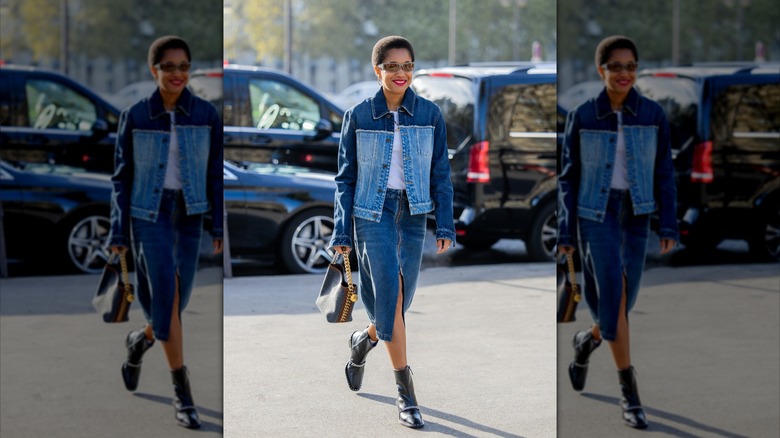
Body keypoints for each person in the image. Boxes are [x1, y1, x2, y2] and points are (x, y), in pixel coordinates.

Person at [330, 35, 455, 429]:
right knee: (392, 292)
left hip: (414, 214)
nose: (401, 73)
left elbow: (441, 174)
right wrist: (340, 231)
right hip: (372, 212)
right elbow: (345, 179)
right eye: (393, 66)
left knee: (398, 304)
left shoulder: (430, 114)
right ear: (377, 70)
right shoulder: (360, 115)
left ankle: (364, 339)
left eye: (408, 66)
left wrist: (446, 222)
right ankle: (407, 394)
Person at [558, 35, 678, 429]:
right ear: (601, 70)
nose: (624, 73)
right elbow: (568, 178)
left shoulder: (653, 114)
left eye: (631, 66)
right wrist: (565, 232)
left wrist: (669, 222)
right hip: (597, 212)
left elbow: (664, 172)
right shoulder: (584, 115)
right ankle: (630, 392)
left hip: (637, 214)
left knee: (621, 304)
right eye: (616, 66)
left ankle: (588, 339)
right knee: (615, 292)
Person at [107, 35, 223, 429]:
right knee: (169, 300)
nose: (178, 73)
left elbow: (214, 175)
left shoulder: (205, 113)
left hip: (190, 216)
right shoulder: (136, 116)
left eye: (184, 66)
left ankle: (139, 341)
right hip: (148, 214)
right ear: (153, 69)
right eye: (169, 66)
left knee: (176, 303)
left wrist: (218, 225)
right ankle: (183, 393)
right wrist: (117, 230)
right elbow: (122, 178)